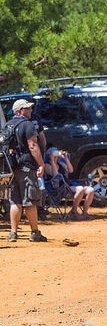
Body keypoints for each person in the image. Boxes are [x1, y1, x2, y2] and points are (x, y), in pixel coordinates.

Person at [6, 99, 47, 242]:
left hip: (11, 168)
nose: (30, 110)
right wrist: (41, 164)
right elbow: (33, 146)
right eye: (27, 108)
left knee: (15, 200)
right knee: (30, 200)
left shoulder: (7, 125)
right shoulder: (27, 125)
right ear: (19, 111)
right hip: (26, 167)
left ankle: (13, 233)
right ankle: (35, 232)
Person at [43, 147, 95, 220]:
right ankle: (73, 212)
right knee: (80, 189)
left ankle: (85, 213)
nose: (56, 155)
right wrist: (52, 162)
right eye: (54, 153)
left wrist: (66, 159)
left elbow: (71, 170)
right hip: (58, 188)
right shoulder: (47, 166)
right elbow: (56, 176)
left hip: (67, 185)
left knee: (91, 190)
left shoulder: (60, 163)